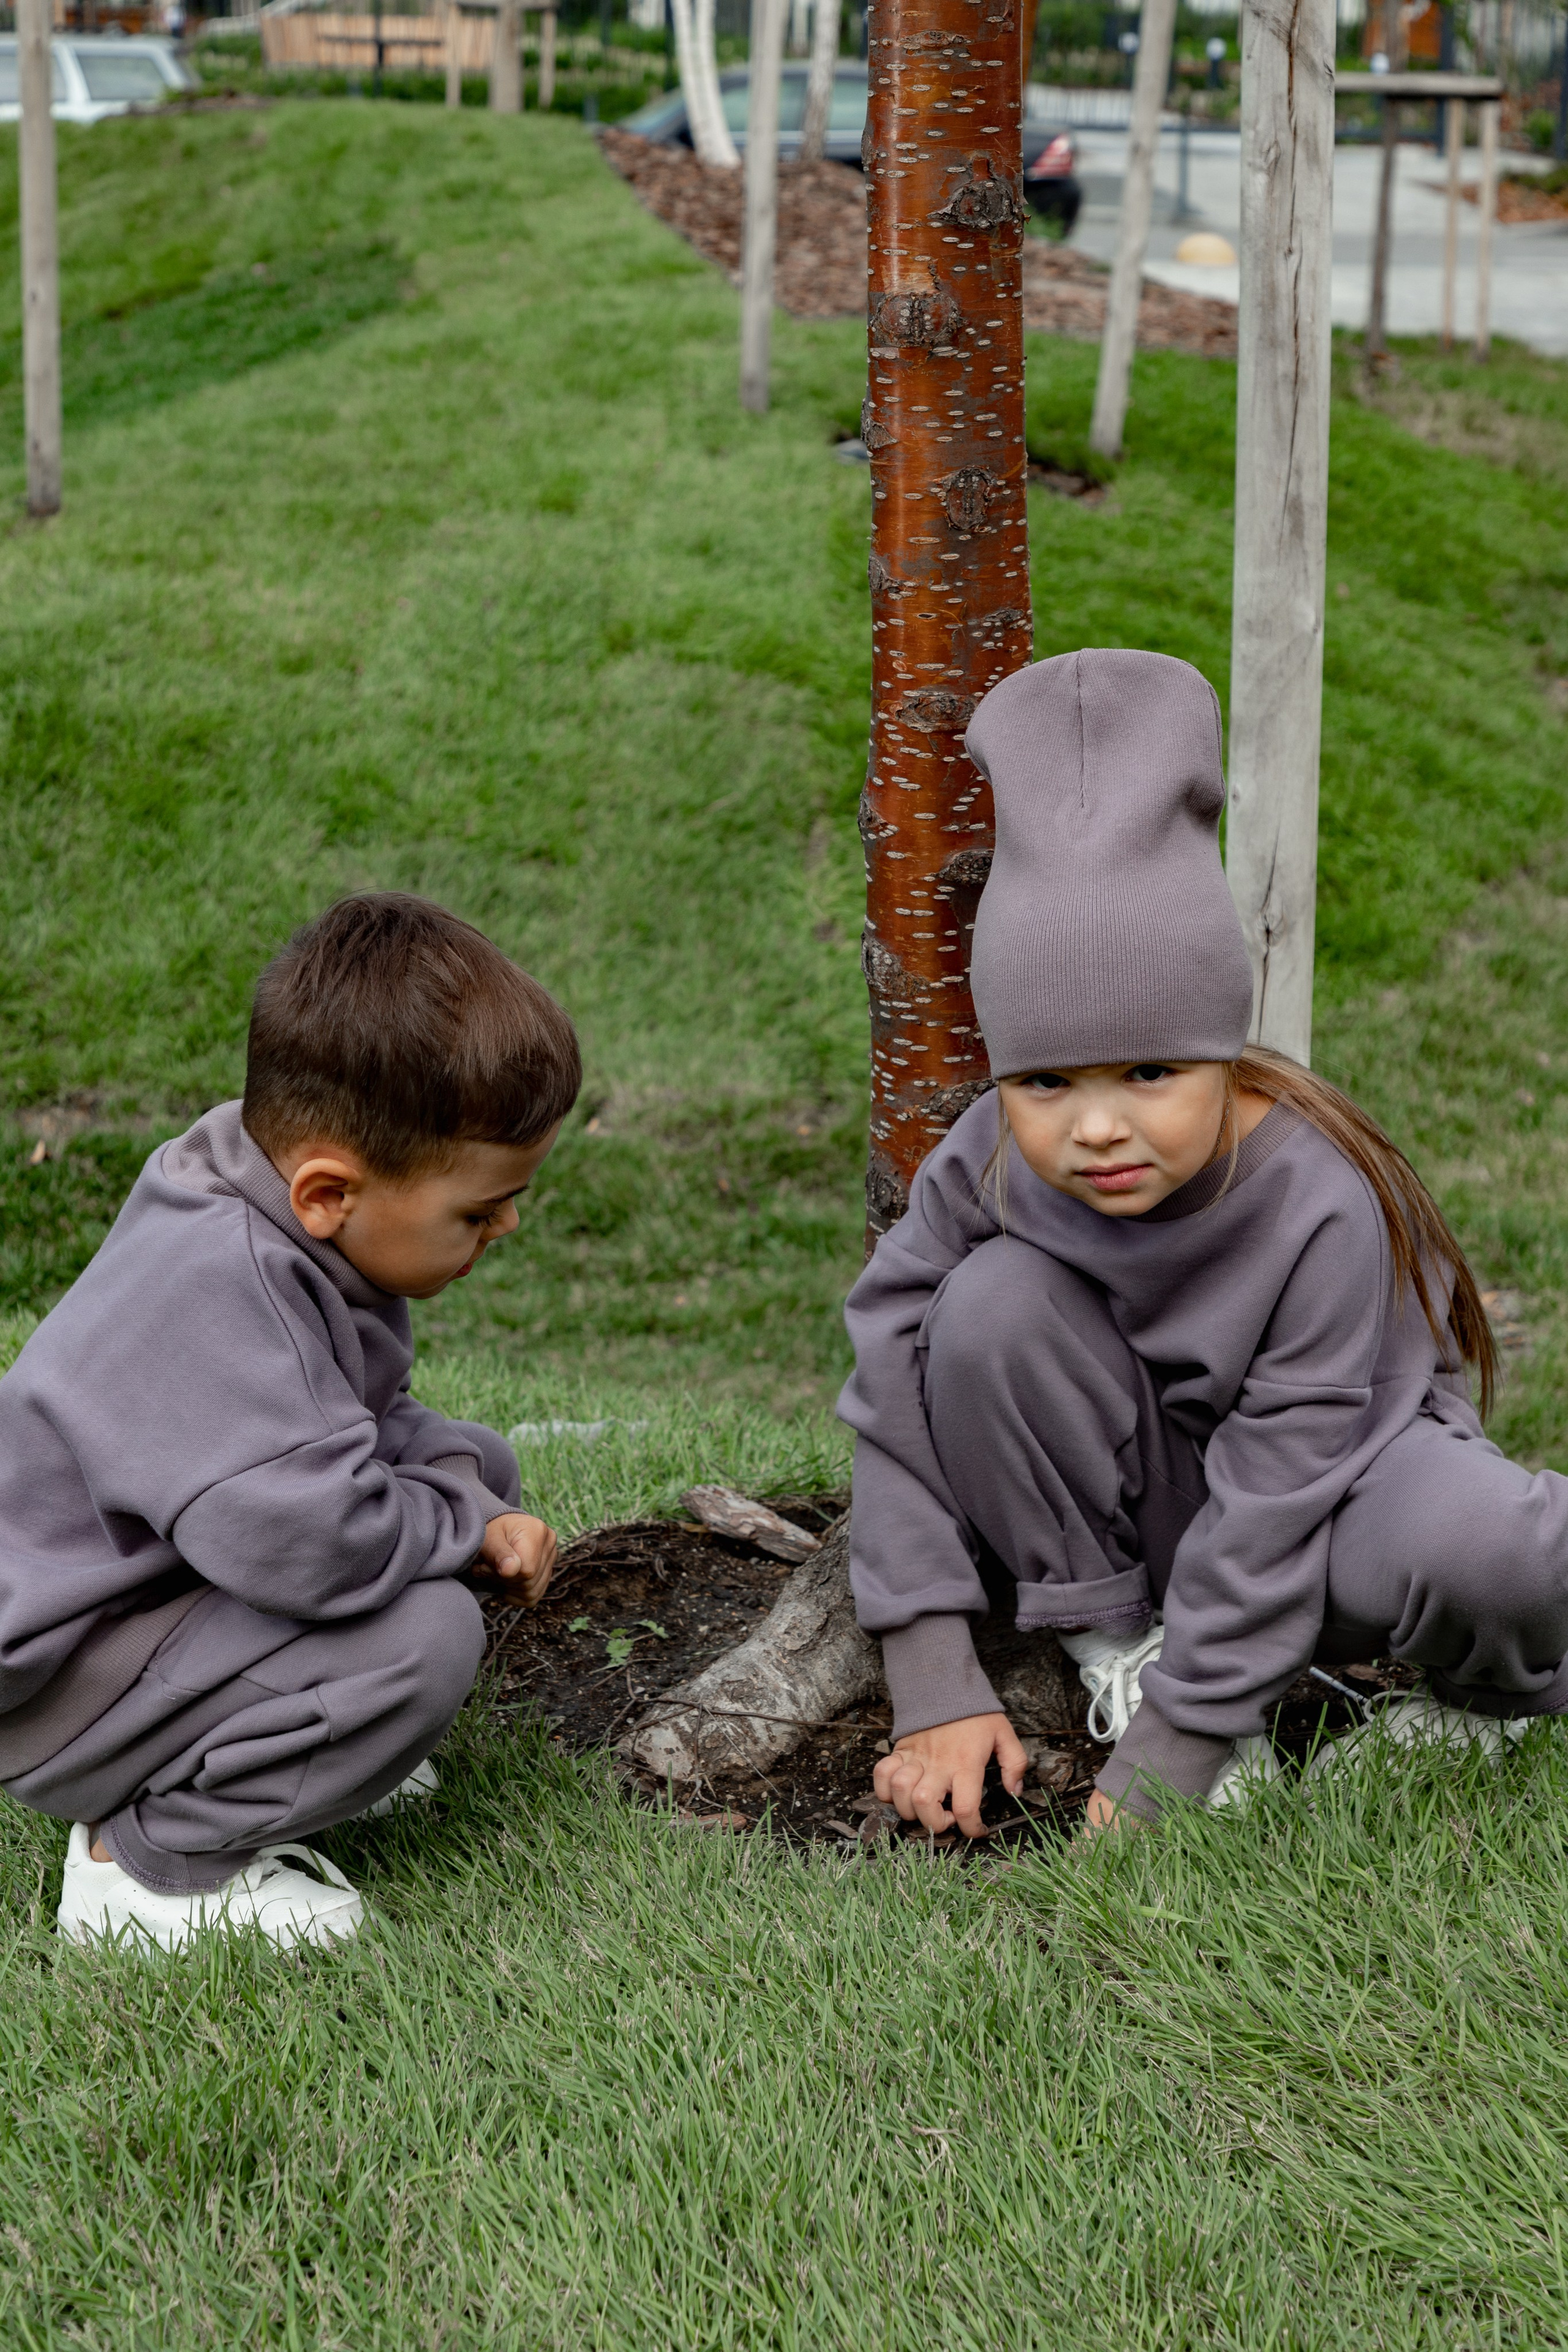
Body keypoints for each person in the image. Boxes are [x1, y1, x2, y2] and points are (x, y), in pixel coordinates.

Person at [842, 647, 1568, 1839]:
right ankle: (1116, 1643)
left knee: (1500, 1547)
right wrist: (928, 1673)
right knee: (982, 1307)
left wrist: (1175, 1756)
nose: (1094, 1126)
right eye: (1042, 1079)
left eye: (1148, 1070)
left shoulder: (1315, 1201)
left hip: (1341, 1512)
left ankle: (1485, 1703)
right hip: (1145, 1512)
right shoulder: (981, 1158)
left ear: (1221, 1048)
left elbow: (1281, 1489)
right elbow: (891, 1395)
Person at [0, 894, 579, 1950]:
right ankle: (145, 1867)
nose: (506, 1226)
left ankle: (281, 1749)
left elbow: (364, 1422)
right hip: (51, 1683)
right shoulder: (233, 1293)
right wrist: (463, 1521)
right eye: (478, 1209)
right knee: (421, 1638)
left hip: (139, 1598)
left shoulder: (260, 1193)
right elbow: (322, 1549)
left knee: (478, 1465)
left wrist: (466, 1490)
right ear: (328, 1191)